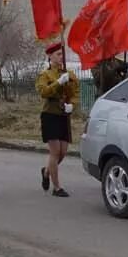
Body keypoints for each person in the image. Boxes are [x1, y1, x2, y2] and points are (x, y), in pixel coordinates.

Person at [35, 42, 78, 197]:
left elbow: (75, 92)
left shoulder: (69, 74)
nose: (61, 57)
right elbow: (44, 92)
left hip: (63, 116)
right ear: (50, 56)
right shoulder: (45, 75)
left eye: (62, 54)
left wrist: (72, 105)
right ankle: (57, 187)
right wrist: (58, 82)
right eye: (58, 54)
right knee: (55, 152)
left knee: (63, 153)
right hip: (50, 115)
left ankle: (46, 172)